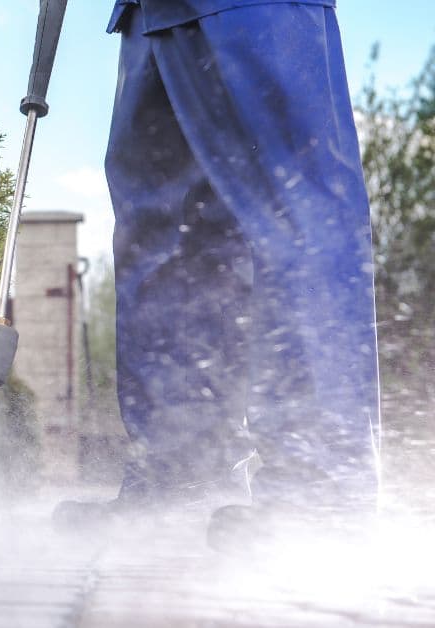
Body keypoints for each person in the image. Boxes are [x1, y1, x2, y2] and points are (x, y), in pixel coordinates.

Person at [53, 0, 382, 545]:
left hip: (257, 9)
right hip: (148, 15)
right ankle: (181, 475)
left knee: (297, 206)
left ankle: (320, 494)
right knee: (166, 234)